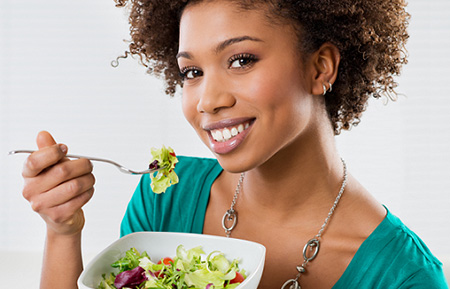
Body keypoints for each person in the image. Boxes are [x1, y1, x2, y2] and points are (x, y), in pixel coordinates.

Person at [20, 0, 448, 288]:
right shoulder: (165, 196)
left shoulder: (404, 276)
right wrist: (62, 232)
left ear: (320, 68)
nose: (208, 100)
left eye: (241, 60)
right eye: (192, 72)